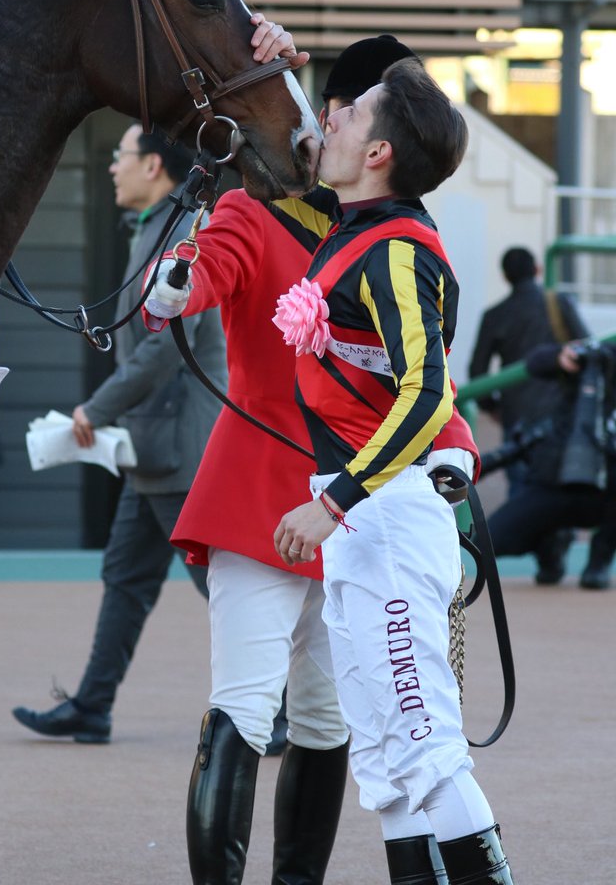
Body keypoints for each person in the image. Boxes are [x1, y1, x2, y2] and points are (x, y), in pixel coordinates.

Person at [145, 21, 479, 885]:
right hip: (266, 490)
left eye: (342, 111)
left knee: (341, 724)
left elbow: (418, 379)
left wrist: (453, 453)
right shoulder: (256, 207)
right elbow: (201, 272)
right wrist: (175, 277)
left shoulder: (380, 231)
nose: (326, 125)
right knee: (247, 707)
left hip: (358, 508)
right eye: (332, 107)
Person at [271, 58, 517, 884]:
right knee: (383, 760)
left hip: (382, 512)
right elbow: (281, 138)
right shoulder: (349, 227)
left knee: (426, 752)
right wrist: (275, 53)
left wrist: (334, 502)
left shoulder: (399, 252)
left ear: (379, 152)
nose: (330, 120)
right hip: (364, 521)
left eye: (350, 114)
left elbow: (426, 394)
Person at [12, 124, 227, 744]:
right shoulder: (159, 232)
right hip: (156, 450)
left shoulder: (174, 238)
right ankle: (92, 705)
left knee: (223, 588)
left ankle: (285, 713)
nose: (111, 166)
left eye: (119, 154)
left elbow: (159, 353)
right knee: (126, 578)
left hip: (176, 448)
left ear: (155, 166)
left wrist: (96, 410)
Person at [468, 246, 588, 583]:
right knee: (558, 483)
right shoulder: (558, 303)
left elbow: (477, 369)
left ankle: (544, 557)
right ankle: (554, 551)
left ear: (505, 276)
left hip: (517, 415)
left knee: (523, 488)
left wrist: (492, 407)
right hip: (560, 413)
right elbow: (585, 346)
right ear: (537, 269)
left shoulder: (495, 314)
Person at [485, 336, 616, 590]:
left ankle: (599, 560)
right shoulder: (589, 370)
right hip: (555, 479)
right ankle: (550, 548)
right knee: (492, 541)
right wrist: (561, 356)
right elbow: (536, 362)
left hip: (606, 490)